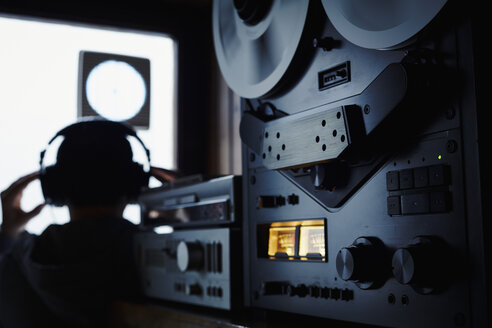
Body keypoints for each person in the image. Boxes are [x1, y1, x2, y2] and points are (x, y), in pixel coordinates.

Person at [0, 118, 177, 328]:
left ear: (53, 188)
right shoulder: (160, 259)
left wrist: (7, 233)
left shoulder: (16, 264)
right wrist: (190, 210)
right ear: (135, 183)